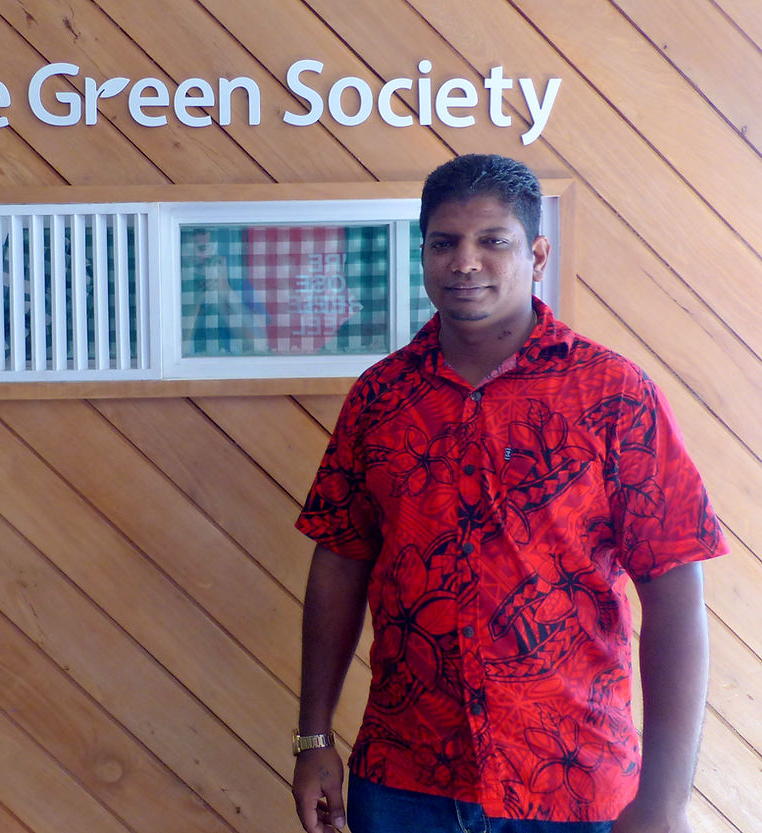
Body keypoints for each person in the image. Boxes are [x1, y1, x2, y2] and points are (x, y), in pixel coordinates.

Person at [291, 154, 728, 833]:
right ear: (425, 253)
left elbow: (676, 597)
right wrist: (313, 738)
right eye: (444, 242)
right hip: (408, 780)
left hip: (573, 780)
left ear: (536, 253)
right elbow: (339, 563)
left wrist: (665, 802)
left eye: (493, 240)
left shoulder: (614, 396)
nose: (465, 261)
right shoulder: (380, 399)